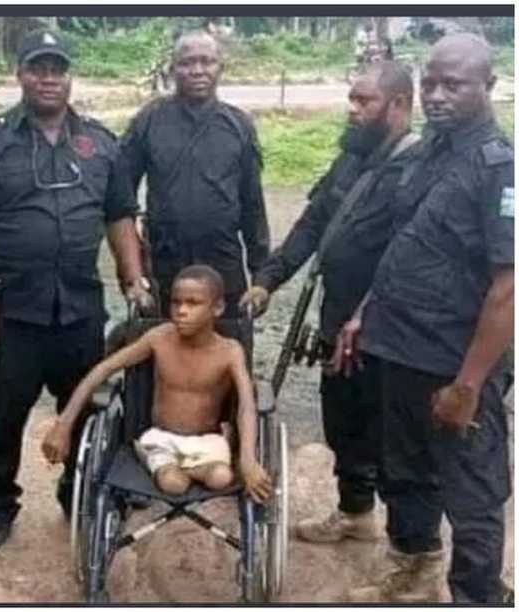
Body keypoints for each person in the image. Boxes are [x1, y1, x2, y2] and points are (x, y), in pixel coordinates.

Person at [337, 34, 513, 604]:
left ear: (488, 86)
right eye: (430, 83)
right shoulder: (430, 151)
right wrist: (364, 314)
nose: (436, 95)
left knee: (472, 492)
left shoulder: (499, 169)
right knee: (404, 471)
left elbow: (508, 288)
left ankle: (476, 595)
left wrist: (469, 385)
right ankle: (412, 572)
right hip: (398, 346)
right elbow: (406, 243)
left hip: (452, 360)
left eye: (453, 84)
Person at [0, 30, 148, 556]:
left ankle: (78, 495)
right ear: (19, 74)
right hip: (11, 313)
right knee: (2, 417)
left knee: (86, 410)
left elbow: (119, 217)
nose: (49, 78)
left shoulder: (101, 143)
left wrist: (133, 279)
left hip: (80, 309)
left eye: (58, 69)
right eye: (38, 68)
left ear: (70, 76)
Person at [238, 61, 419, 543]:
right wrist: (268, 281)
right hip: (337, 319)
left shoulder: (417, 168)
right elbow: (314, 224)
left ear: (398, 105)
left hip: (388, 327)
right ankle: (355, 513)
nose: (353, 110)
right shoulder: (353, 157)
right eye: (352, 100)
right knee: (343, 418)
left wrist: (368, 314)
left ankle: (410, 553)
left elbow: (411, 257)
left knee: (393, 439)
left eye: (365, 102)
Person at [43, 265, 272, 502]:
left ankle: (189, 470)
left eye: (193, 303)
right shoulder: (159, 338)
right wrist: (64, 424)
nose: (181, 311)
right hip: (161, 440)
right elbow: (103, 370)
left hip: (207, 442)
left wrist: (248, 459)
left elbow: (246, 404)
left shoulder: (229, 351)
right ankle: (173, 470)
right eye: (176, 302)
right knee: (173, 484)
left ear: (217, 308)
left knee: (222, 477)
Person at [119, 30, 269, 317]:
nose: (198, 71)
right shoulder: (148, 121)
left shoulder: (239, 126)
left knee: (226, 350)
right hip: (165, 263)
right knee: (161, 352)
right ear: (172, 69)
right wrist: (132, 277)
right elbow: (120, 201)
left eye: (207, 61)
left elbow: (253, 205)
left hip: (223, 262)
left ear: (220, 68)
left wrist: (261, 277)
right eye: (187, 63)